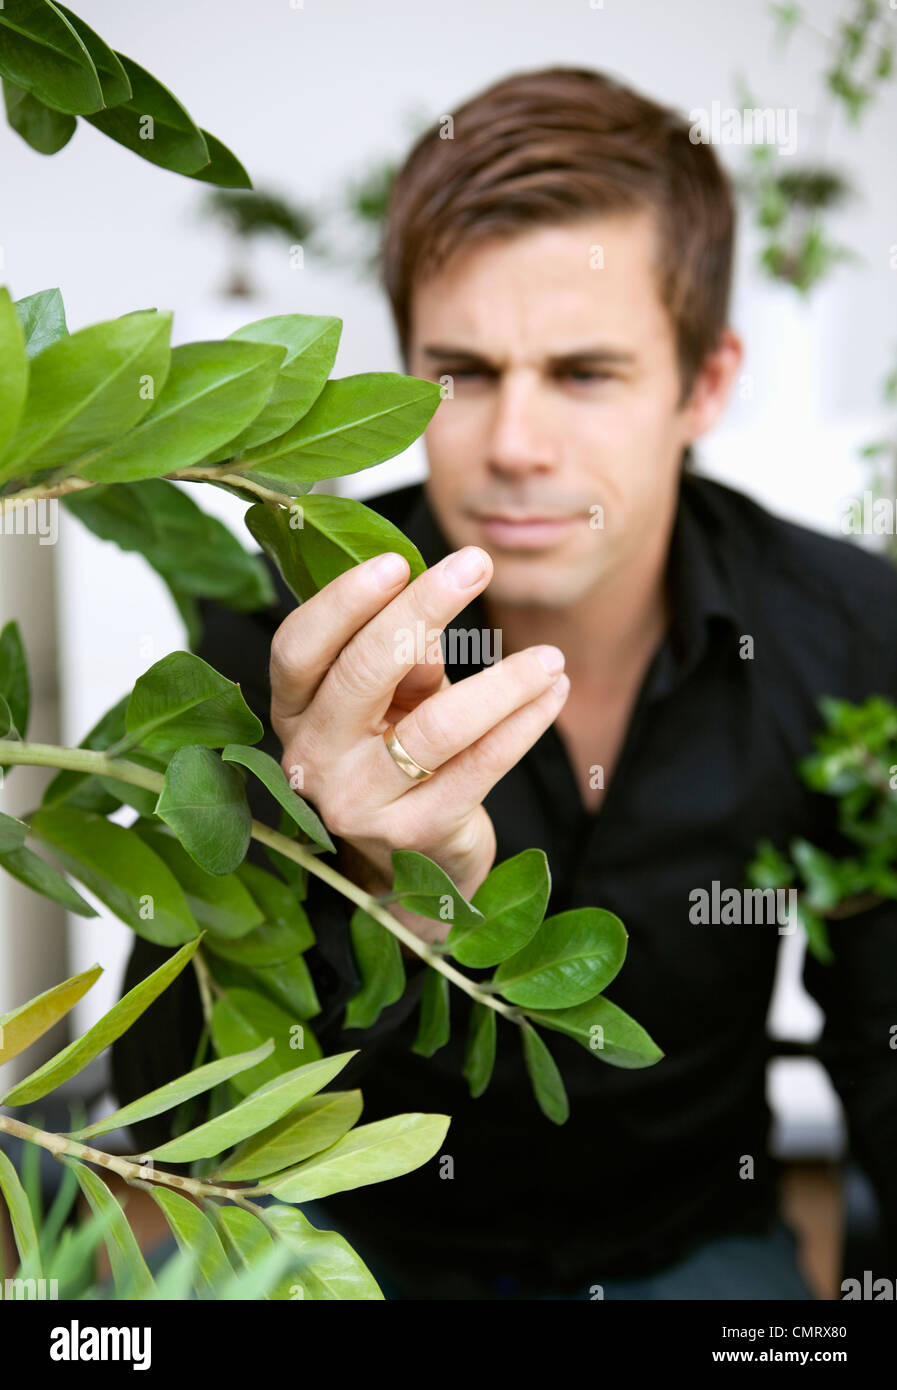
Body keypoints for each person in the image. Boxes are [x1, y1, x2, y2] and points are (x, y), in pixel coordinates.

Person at [111, 66, 897, 1300]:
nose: (514, 443)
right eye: (461, 372)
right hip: (360, 1256)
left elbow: (885, 1045)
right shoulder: (276, 634)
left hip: (691, 1246)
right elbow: (168, 1107)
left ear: (705, 384)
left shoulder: (848, 632)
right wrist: (364, 881)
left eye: (585, 373)